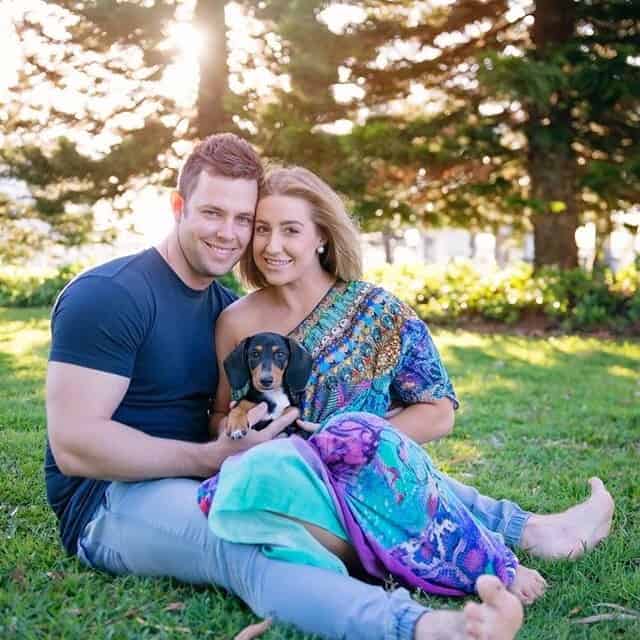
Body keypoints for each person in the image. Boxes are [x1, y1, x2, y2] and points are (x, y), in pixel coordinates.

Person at [45, 133, 525, 640]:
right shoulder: (110, 296)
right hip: (111, 501)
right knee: (247, 542)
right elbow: (76, 446)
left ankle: (519, 533)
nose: (229, 233)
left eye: (243, 220)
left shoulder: (223, 309)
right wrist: (213, 456)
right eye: (212, 213)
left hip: (214, 478)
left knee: (348, 482)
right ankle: (425, 627)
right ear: (178, 206)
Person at [204, 165, 615, 606]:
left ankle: (530, 534)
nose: (272, 245)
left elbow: (439, 411)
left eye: (291, 230)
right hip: (288, 485)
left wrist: (355, 443)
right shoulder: (236, 321)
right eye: (262, 229)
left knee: (365, 451)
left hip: (380, 475)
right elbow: (221, 416)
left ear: (321, 236)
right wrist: (241, 437)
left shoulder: (378, 311)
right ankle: (526, 534)